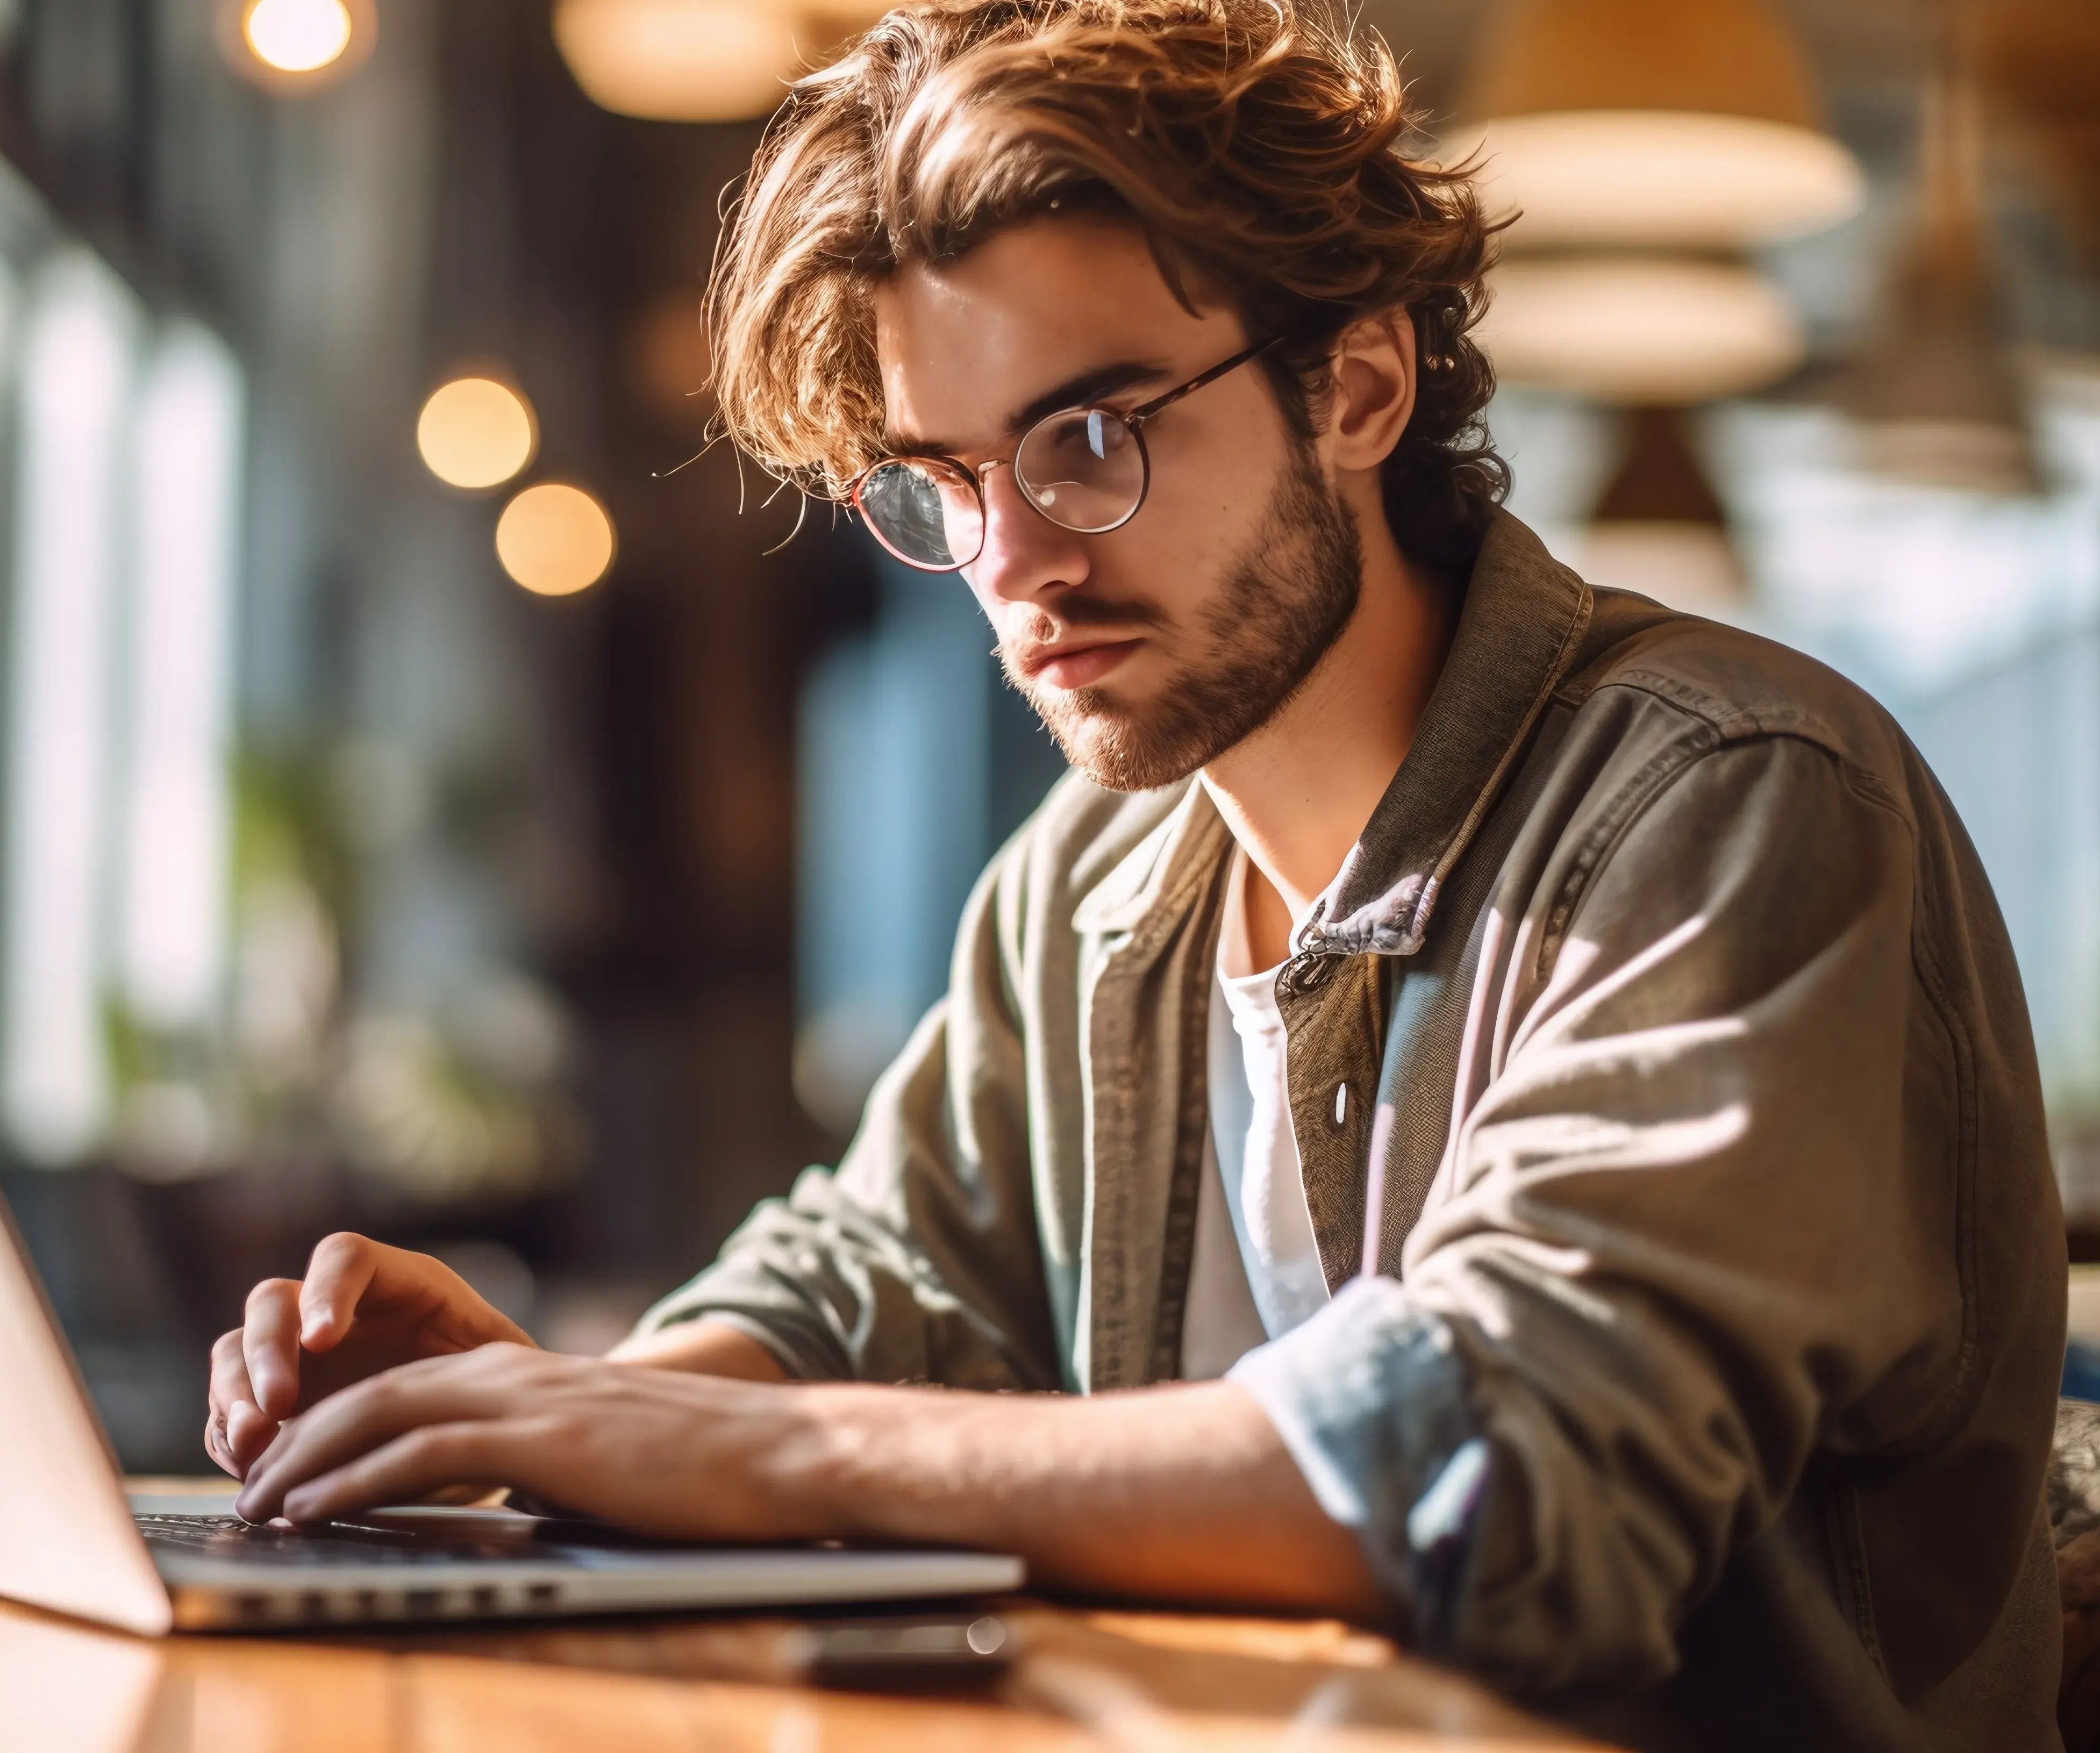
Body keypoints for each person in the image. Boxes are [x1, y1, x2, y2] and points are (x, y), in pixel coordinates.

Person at [206, 3, 2067, 1744]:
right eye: (949, 475)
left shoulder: (1727, 799)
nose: (1014, 561)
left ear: (1353, 388)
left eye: (1087, 438)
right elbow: (872, 1280)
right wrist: (516, 1407)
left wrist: (719, 1447)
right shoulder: (1090, 875)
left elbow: (1493, 1466)